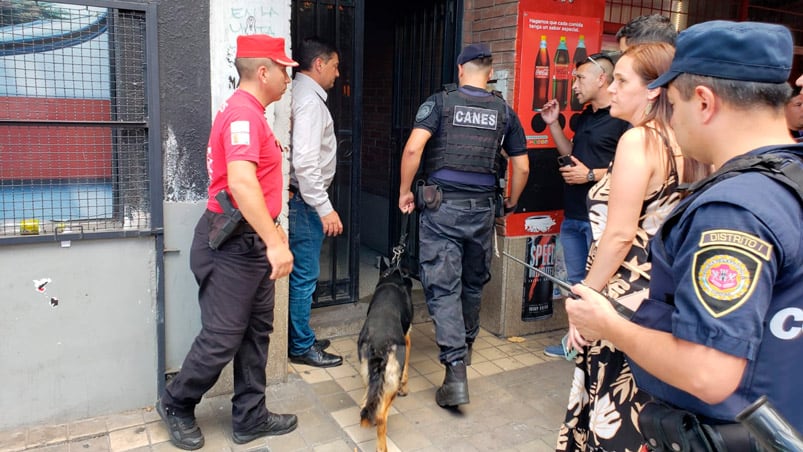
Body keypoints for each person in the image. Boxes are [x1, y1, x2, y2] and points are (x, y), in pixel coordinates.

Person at [566, 21, 803, 448]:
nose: (669, 118)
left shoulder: (733, 211)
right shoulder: (790, 177)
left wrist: (610, 324)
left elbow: (707, 373)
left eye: (672, 103)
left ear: (704, 102)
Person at [556, 42, 709, 452]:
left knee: (610, 406)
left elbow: (619, 235)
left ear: (654, 89)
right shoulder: (687, 142)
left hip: (623, 291)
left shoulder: (639, 141)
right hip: (663, 291)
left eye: (622, 80)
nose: (613, 89)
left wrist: (585, 295)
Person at [155, 34, 299, 450]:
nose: (289, 77)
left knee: (256, 333)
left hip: (251, 242)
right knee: (222, 338)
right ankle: (176, 403)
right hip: (232, 246)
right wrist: (274, 242)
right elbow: (240, 182)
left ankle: (250, 417)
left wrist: (272, 230)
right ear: (264, 71)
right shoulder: (242, 115)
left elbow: (261, 186)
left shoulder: (254, 113)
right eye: (285, 70)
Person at [398, 43, 529, 408]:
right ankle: (466, 346)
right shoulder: (504, 110)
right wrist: (511, 202)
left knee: (443, 288)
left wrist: (405, 191)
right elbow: (522, 166)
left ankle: (455, 370)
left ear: (460, 70)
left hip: (442, 209)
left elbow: (413, 149)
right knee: (473, 283)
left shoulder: (440, 103)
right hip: (484, 210)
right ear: (489, 72)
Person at [540, 52, 630, 358]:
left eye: (579, 78)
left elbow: (630, 169)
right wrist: (553, 125)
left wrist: (590, 174)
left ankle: (598, 348)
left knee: (598, 287)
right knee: (576, 286)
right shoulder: (588, 117)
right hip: (574, 213)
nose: (574, 85)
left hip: (601, 219)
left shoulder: (623, 121)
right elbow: (572, 154)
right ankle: (575, 344)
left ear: (601, 79)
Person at [287, 37, 344, 368]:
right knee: (305, 275)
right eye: (335, 66)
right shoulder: (309, 102)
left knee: (303, 274)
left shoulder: (301, 95)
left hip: (301, 198)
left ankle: (300, 334)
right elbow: (306, 163)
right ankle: (300, 345)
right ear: (319, 64)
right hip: (305, 202)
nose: (338, 74)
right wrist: (325, 207)